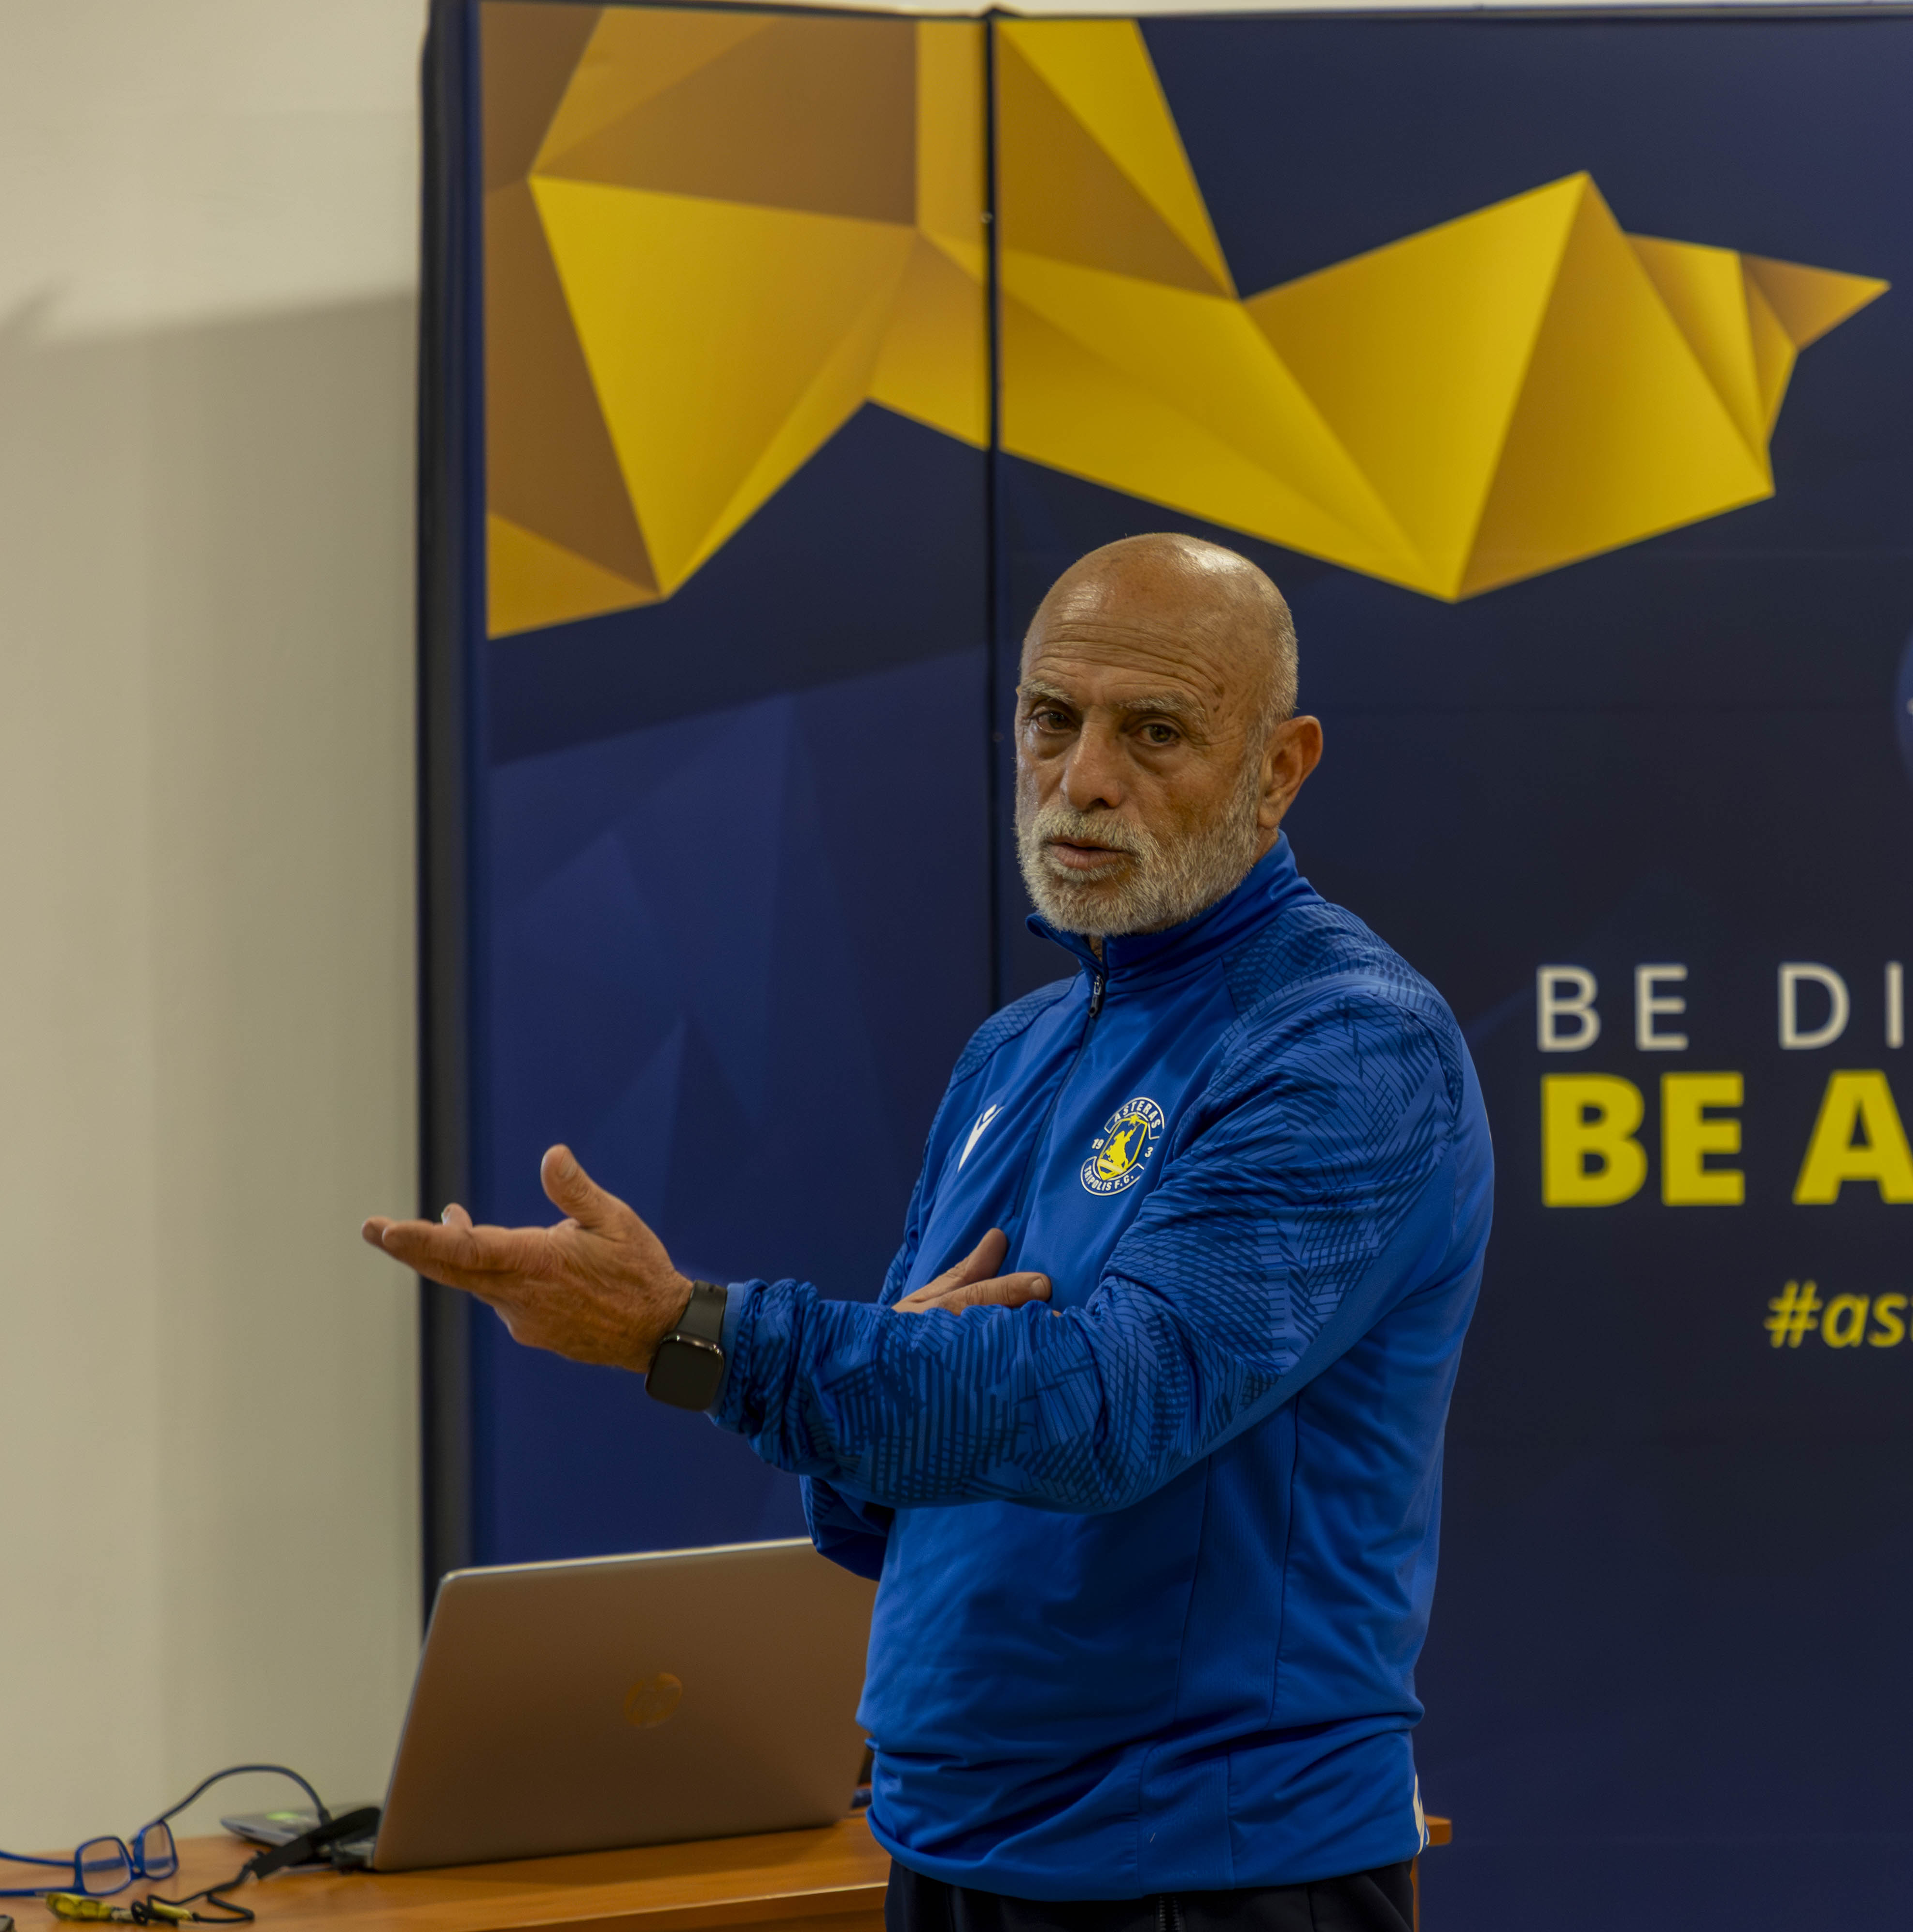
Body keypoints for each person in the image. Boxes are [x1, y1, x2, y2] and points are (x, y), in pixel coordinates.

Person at [363, 534, 1494, 1932]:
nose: (1084, 778)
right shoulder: (1013, 1051)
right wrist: (904, 1384)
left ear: (1280, 768)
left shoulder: (1349, 1046)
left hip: (1213, 1869)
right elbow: (885, 1500)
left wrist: (684, 1334)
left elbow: (1106, 1413)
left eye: (1154, 733)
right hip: (948, 1844)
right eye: (1051, 719)